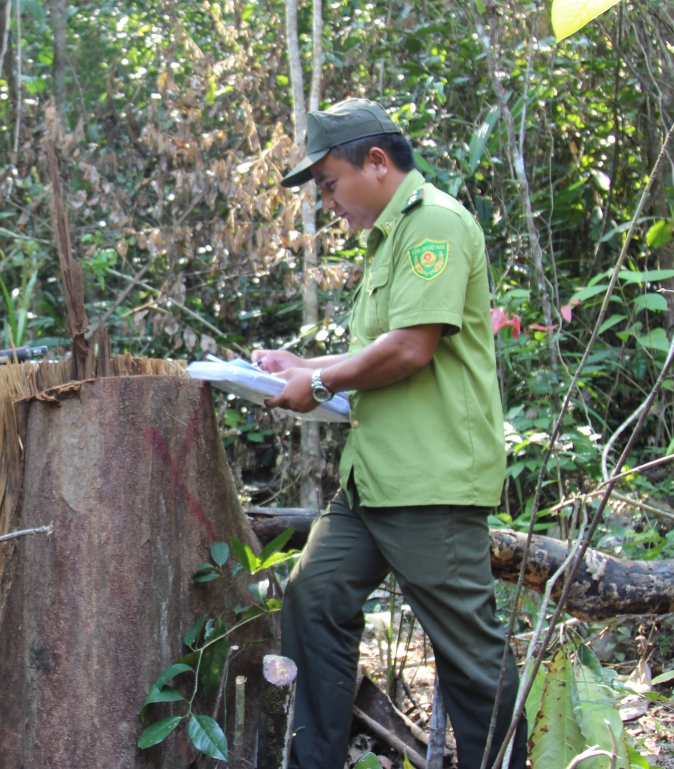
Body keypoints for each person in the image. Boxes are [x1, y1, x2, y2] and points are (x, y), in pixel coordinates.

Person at [254, 99, 527, 769]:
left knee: (467, 652)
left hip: (429, 480)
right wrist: (302, 365)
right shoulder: (387, 242)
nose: (328, 200)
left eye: (328, 182)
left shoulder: (434, 223)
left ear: (376, 163)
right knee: (312, 597)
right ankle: (313, 760)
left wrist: (317, 386)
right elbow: (378, 348)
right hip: (371, 480)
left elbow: (410, 350)